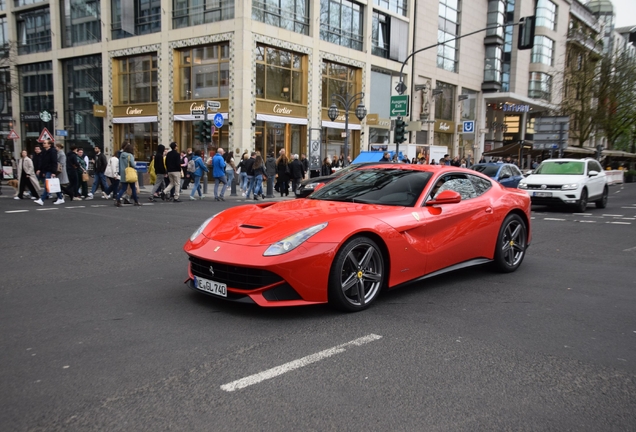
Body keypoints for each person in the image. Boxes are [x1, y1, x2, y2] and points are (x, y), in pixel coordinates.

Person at [35, 140, 64, 206]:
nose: (43, 144)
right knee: (53, 185)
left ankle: (42, 199)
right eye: (43, 143)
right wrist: (42, 171)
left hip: (50, 170)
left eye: (45, 143)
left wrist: (53, 172)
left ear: (49, 144)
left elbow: (54, 162)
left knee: (47, 185)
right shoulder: (45, 151)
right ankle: (60, 198)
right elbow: (43, 162)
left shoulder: (53, 151)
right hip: (47, 170)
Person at [115, 142, 140, 207]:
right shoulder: (130, 155)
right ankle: (136, 201)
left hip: (123, 173)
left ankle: (118, 199)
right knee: (133, 188)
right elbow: (133, 165)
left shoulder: (121, 155)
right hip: (129, 173)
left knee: (123, 188)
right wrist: (135, 163)